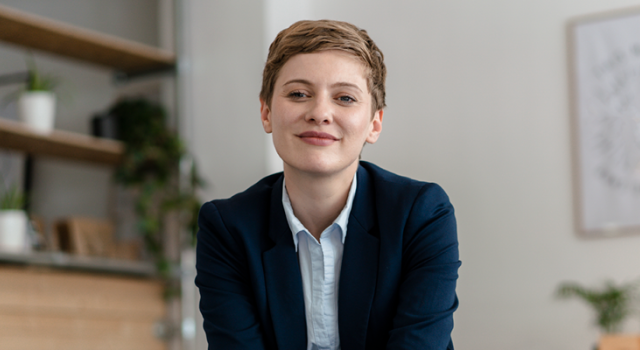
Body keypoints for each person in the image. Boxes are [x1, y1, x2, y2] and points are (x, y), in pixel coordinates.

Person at [194, 20, 460, 350]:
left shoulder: (421, 213)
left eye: (345, 98)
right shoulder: (227, 228)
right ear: (265, 112)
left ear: (374, 124)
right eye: (298, 94)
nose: (320, 112)